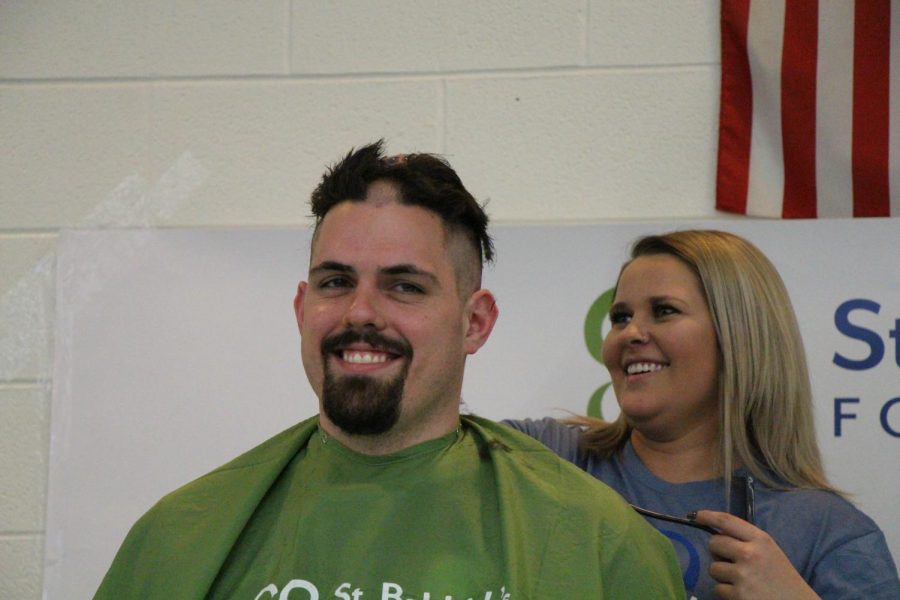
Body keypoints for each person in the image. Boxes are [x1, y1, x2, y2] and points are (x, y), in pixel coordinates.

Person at [94, 142, 685, 599]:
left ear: (475, 321)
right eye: (336, 282)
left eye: (404, 286)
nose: (360, 313)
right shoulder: (179, 538)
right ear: (303, 310)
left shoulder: (597, 542)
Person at [506, 230, 899, 600]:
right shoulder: (547, 457)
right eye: (620, 317)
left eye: (663, 311)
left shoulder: (830, 533)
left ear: (739, 335)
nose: (630, 333)